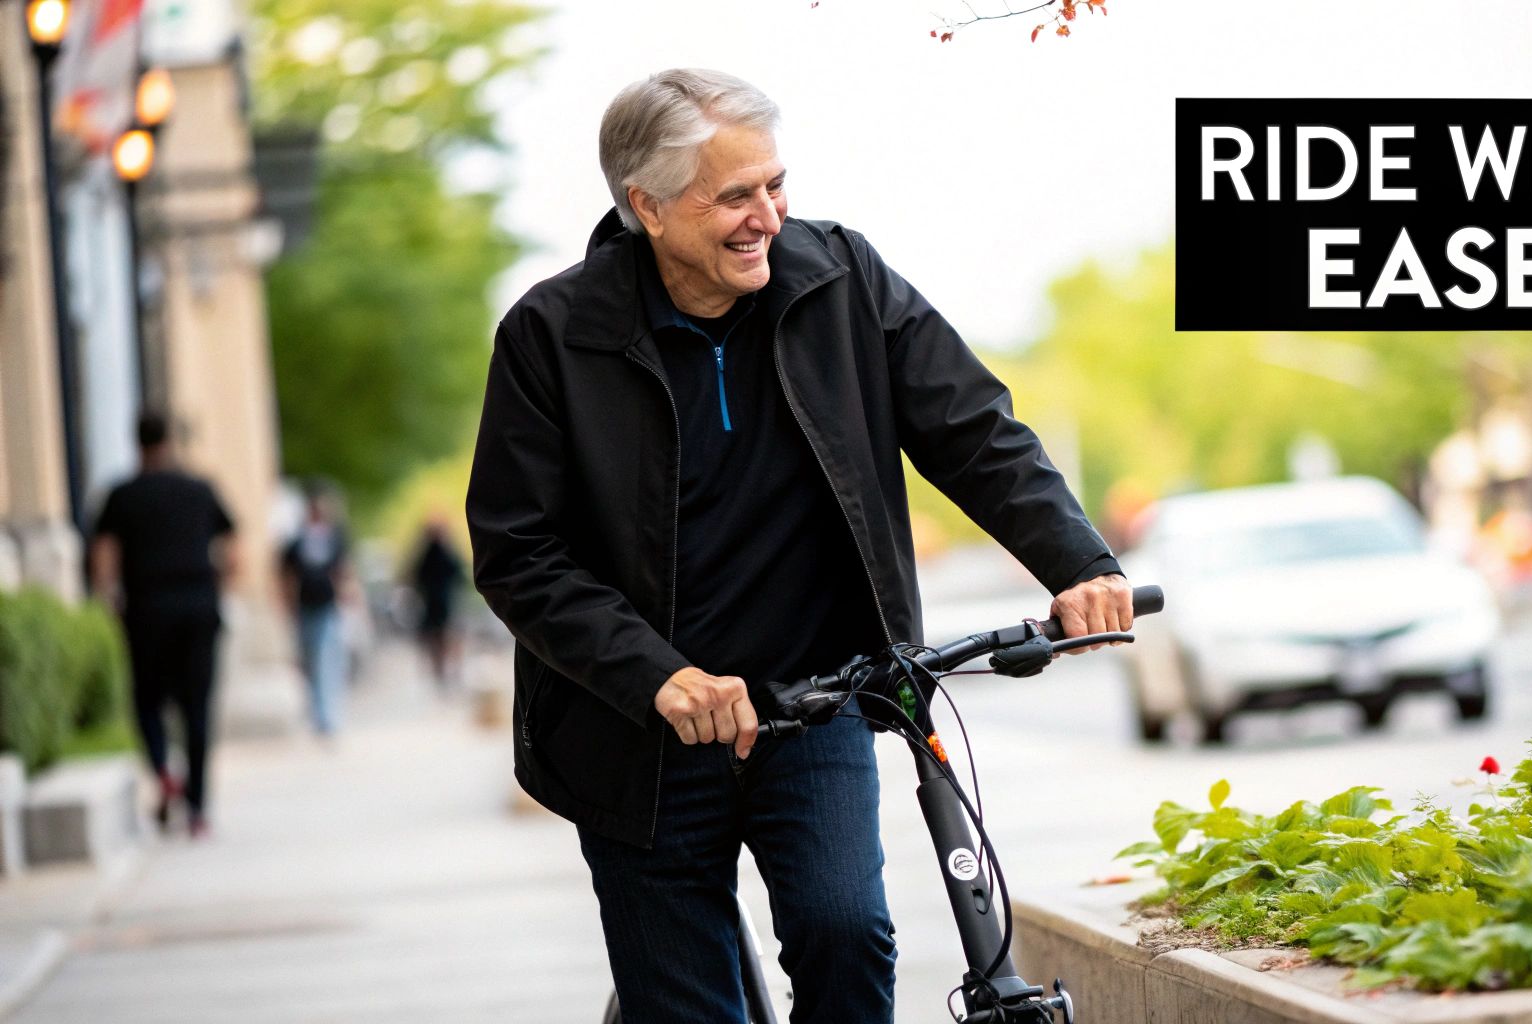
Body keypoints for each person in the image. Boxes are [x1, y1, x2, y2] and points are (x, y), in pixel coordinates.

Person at [466, 68, 1132, 1024]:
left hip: (815, 700)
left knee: (845, 933)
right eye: (734, 196)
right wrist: (659, 675)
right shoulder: (551, 335)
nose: (767, 217)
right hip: (641, 734)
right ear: (645, 206)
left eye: (776, 186)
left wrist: (1079, 561)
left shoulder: (842, 279)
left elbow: (973, 429)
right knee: (685, 1007)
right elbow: (517, 551)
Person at [89, 412, 236, 838]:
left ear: (137, 444)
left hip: (147, 608)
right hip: (197, 605)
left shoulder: (121, 495)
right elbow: (234, 546)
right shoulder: (199, 489)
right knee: (197, 708)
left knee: (147, 700)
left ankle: (162, 769)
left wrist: (107, 599)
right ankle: (198, 810)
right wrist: (216, 586)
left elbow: (104, 555)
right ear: (169, 442)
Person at [280, 486, 353, 738]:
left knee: (325, 660)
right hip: (304, 605)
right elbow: (287, 575)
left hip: (327, 605)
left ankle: (326, 717)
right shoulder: (297, 541)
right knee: (310, 662)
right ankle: (317, 713)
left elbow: (343, 569)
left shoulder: (334, 537)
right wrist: (287, 605)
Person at [406, 514, 465, 689]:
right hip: (435, 602)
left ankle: (446, 672)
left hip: (444, 601)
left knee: (446, 637)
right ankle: (441, 672)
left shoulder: (444, 551)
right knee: (437, 638)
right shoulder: (430, 552)